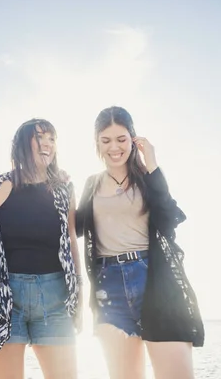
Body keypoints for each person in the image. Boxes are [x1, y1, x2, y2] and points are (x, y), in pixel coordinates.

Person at [76, 106, 204, 379]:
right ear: (96, 143)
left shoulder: (147, 180)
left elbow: (169, 217)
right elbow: (73, 228)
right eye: (106, 140)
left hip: (153, 282)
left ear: (133, 139)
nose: (114, 147)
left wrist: (153, 164)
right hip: (108, 288)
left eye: (121, 139)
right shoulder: (91, 184)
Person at [0, 118, 82, 379]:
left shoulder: (64, 189)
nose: (47, 144)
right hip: (6, 297)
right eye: (39, 137)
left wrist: (80, 293)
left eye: (52, 138)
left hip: (54, 296)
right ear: (22, 144)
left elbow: (72, 239)